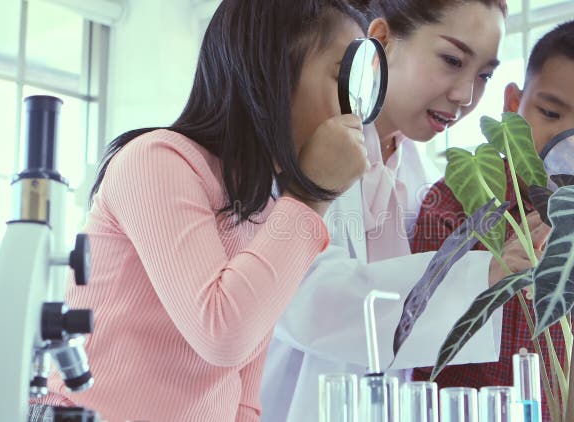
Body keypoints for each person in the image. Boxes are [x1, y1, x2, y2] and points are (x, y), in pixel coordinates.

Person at [30, 1, 372, 420]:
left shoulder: (264, 204)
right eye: (342, 78)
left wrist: (299, 200)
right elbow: (222, 333)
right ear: (272, 73)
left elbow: (243, 393)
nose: (353, 110)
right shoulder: (156, 160)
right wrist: (311, 198)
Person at [260, 1, 513, 421]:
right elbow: (302, 300)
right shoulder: (296, 146)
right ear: (381, 41)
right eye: (452, 60)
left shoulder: (427, 182)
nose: (466, 96)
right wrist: (482, 278)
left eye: (484, 75)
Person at [411, 19, 574, 421]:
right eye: (550, 112)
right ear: (513, 103)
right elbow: (417, 366)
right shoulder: (453, 204)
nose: (566, 138)